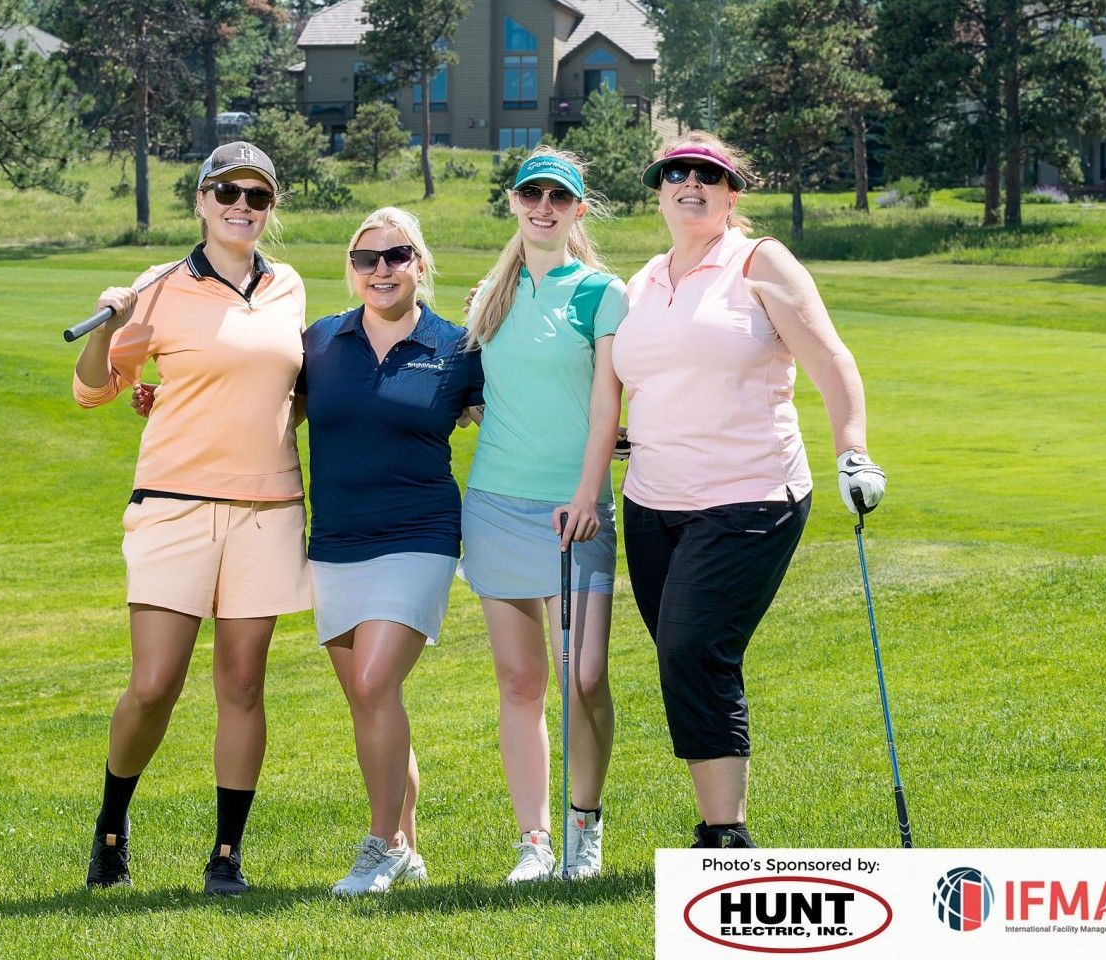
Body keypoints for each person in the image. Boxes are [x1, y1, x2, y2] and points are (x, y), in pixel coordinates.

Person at [611, 132, 888, 848]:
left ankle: (724, 833)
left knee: (694, 648)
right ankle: (716, 822)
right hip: (651, 503)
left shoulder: (757, 261)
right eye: (675, 173)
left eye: (708, 175)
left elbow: (828, 357)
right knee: (684, 655)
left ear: (732, 193)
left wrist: (852, 452)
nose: (690, 184)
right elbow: (646, 381)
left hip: (749, 495)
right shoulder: (644, 280)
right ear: (658, 190)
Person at [73, 141, 308, 895]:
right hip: (173, 505)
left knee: (243, 684)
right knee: (154, 684)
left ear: (271, 208)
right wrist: (112, 325)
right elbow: (94, 390)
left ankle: (226, 856)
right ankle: (112, 827)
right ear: (201, 200)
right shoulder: (158, 285)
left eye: (257, 196)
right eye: (227, 192)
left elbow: (288, 391)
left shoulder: (290, 286)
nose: (242, 206)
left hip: (267, 509)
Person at [300, 208, 484, 895]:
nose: (381, 270)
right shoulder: (320, 342)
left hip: (419, 535)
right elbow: (260, 404)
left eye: (396, 256)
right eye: (366, 259)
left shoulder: (458, 346)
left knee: (376, 685)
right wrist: (163, 400)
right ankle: (405, 846)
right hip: (337, 542)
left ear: (420, 265)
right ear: (351, 271)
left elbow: (511, 413)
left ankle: (378, 845)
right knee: (370, 703)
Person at [462, 148, 626, 881]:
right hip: (495, 503)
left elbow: (605, 405)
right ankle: (534, 843)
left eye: (558, 197)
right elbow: (473, 387)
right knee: (519, 682)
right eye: (532, 194)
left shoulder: (599, 293)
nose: (543, 207)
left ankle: (584, 827)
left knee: (584, 676)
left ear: (578, 210)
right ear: (513, 202)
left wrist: (588, 495)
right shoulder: (487, 298)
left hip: (575, 509)